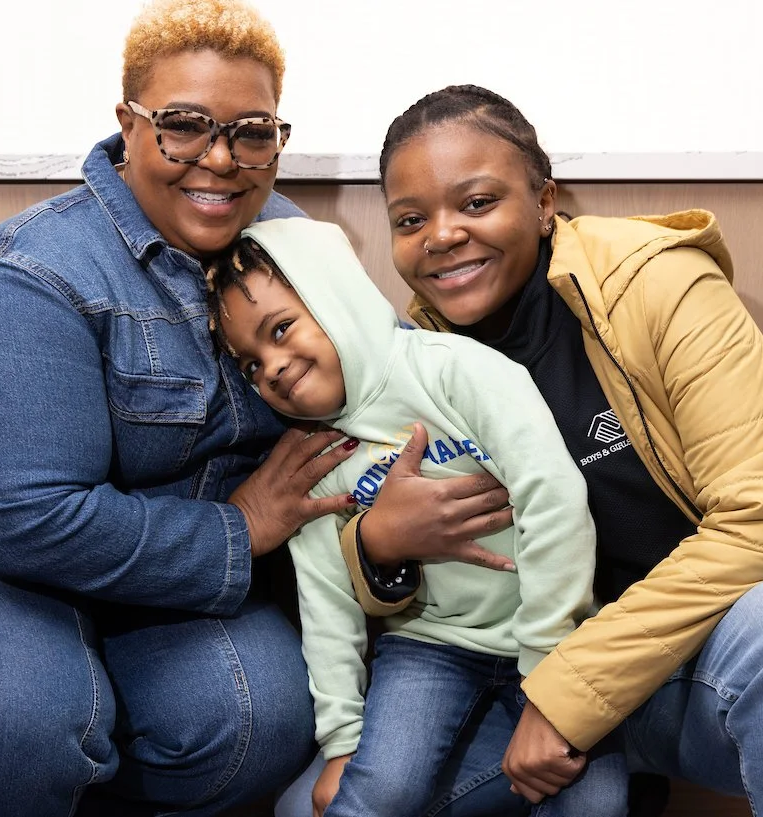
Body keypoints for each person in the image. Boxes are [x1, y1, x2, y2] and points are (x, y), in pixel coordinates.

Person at [0, 2, 369, 815]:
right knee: (13, 727)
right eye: (183, 126)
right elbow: (24, 517)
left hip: (155, 563)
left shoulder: (290, 243)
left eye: (252, 131)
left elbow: (380, 368)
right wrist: (241, 529)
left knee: (260, 718)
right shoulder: (25, 274)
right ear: (128, 123)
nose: (219, 160)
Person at [335, 84, 763, 817]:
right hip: (514, 679)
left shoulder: (658, 284)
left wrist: (569, 695)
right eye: (411, 219)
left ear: (543, 201)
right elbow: (409, 594)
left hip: (689, 673)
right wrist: (377, 548)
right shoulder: (413, 358)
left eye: (475, 202)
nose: (441, 234)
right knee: (301, 805)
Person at [205, 217, 628, 817]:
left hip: (561, 641)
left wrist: (547, 663)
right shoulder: (313, 454)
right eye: (250, 365)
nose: (270, 367)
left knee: (598, 804)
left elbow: (555, 498)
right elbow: (327, 604)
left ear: (335, 296)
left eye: (281, 329)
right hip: (430, 646)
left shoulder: (455, 369)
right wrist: (342, 744)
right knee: (375, 795)